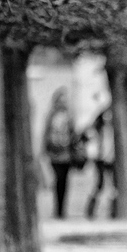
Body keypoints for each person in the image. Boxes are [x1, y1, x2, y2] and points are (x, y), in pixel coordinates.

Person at [43, 88, 77, 219]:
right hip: (54, 154)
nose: (63, 103)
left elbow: (73, 134)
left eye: (65, 100)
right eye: (61, 100)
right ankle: (57, 208)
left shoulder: (69, 116)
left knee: (64, 181)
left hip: (66, 154)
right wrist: (44, 150)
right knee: (58, 179)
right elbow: (45, 133)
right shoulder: (51, 116)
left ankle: (62, 209)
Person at [86, 108, 116, 219]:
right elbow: (88, 139)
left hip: (112, 160)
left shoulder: (114, 129)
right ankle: (90, 210)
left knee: (113, 186)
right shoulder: (97, 129)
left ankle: (113, 211)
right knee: (100, 184)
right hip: (101, 160)